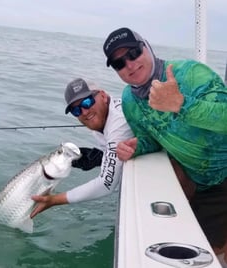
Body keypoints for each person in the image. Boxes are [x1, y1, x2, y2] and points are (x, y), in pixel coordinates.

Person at [103, 27, 227, 259]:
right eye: (119, 63)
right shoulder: (129, 100)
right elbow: (152, 137)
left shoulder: (191, 73)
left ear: (146, 47)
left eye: (133, 53)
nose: (130, 65)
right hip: (199, 181)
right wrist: (136, 147)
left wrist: (181, 104)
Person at [30, 78, 133, 218]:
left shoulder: (118, 125)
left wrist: (54, 200)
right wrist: (101, 158)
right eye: (76, 110)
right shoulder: (103, 119)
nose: (84, 112)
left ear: (103, 95)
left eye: (87, 102)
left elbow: (106, 185)